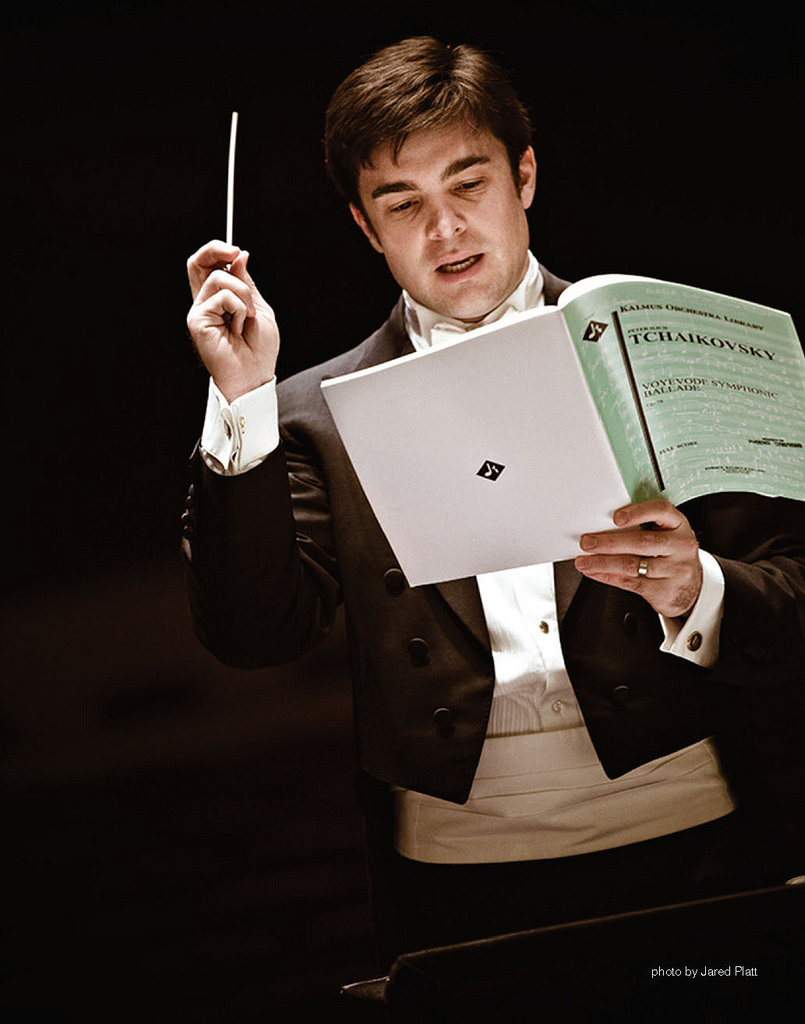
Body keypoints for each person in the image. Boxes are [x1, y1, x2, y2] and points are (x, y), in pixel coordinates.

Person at [182, 36, 805, 965]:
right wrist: (242, 398)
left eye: (468, 184)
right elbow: (252, 634)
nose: (445, 229)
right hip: (454, 877)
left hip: (696, 838)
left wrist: (697, 588)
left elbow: (793, 596)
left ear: (524, 176)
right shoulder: (312, 413)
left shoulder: (663, 343)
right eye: (403, 203)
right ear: (365, 227)